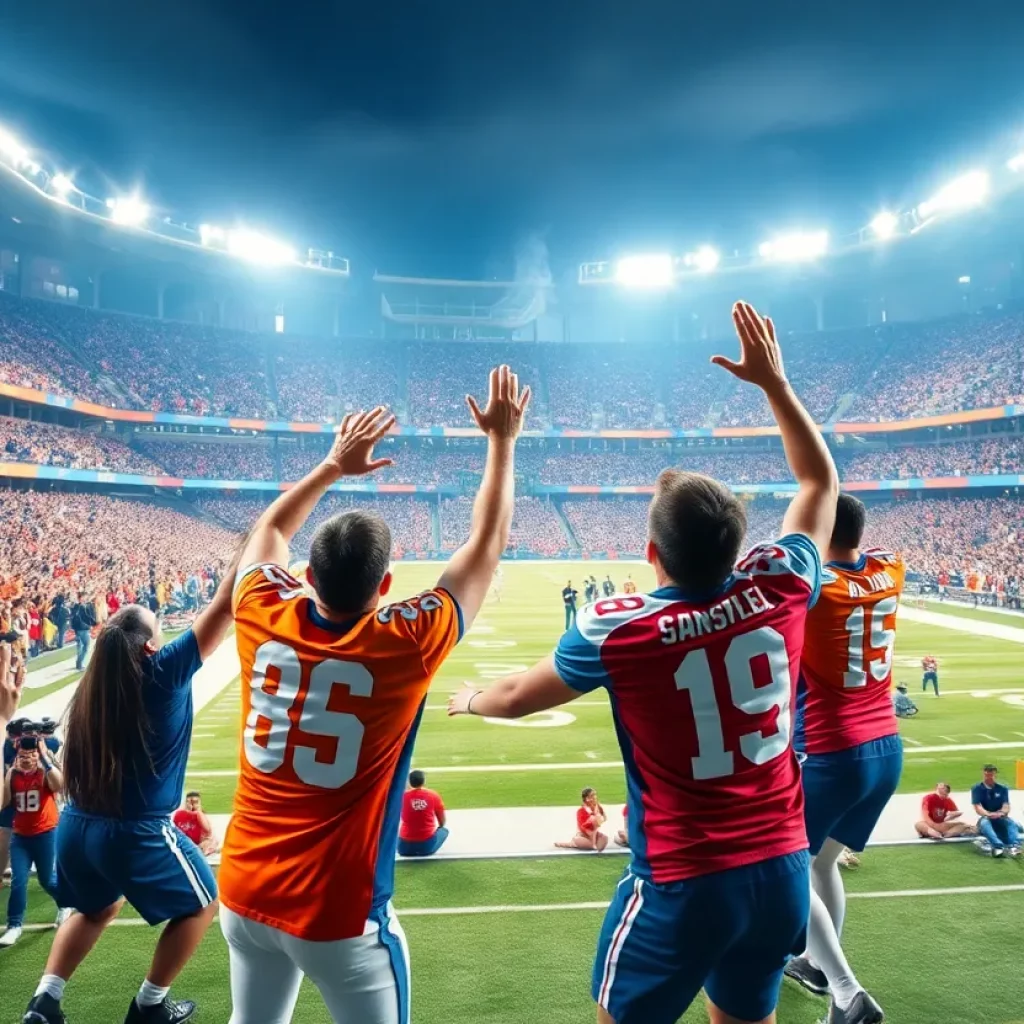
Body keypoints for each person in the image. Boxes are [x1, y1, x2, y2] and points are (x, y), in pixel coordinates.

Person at [449, 301, 839, 1024]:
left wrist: (472, 698)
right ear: (738, 544)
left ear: (652, 554)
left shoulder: (619, 627)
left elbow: (514, 698)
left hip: (684, 880)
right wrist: (776, 386)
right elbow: (819, 487)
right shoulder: (781, 583)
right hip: (782, 867)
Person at [218, 370, 529, 1024]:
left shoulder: (260, 606)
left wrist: (333, 464)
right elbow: (487, 546)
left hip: (243, 888)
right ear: (385, 583)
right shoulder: (404, 642)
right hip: (337, 912)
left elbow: (267, 531)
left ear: (306, 576)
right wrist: (501, 442)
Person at [20, 560, 240, 1024]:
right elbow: (225, 604)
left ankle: (45, 1000)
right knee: (202, 902)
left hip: (77, 827)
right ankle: (150, 1006)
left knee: (95, 907)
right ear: (150, 647)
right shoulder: (161, 674)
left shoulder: (89, 692)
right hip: (134, 830)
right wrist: (264, 535)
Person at [784, 493, 904, 1023]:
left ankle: (846, 989)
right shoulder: (889, 567)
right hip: (886, 748)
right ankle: (815, 963)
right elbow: (863, 553)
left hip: (832, 748)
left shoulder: (816, 590)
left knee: (787, 863)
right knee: (823, 860)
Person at [0, 737, 69, 947]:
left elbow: (59, 783)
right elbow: (4, 803)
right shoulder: (13, 774)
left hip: (45, 834)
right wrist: (8, 773)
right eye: (23, 755)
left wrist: (46, 759)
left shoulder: (44, 773)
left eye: (31, 755)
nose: (27, 759)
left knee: (47, 880)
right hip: (21, 836)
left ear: (38, 755)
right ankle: (14, 926)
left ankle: (65, 903)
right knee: (18, 881)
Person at [971, 764, 1020, 857]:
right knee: (985, 823)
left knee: (1012, 823)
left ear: (995, 775)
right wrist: (988, 814)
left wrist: (1001, 813)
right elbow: (977, 807)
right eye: (987, 775)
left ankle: (1013, 846)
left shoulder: (1002, 788)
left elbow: (1006, 805)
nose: (989, 777)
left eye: (991, 775)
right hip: (986, 817)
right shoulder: (977, 788)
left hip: (1000, 816)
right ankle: (998, 846)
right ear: (983, 774)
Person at [397, 771, 448, 858]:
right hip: (426, 847)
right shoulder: (433, 795)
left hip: (404, 848)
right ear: (424, 781)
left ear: (409, 782)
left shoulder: (401, 797)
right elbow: (442, 822)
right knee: (444, 831)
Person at [556, 787, 609, 852]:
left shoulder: (597, 808)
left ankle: (591, 843)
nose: (595, 797)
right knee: (591, 845)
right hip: (583, 835)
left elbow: (605, 818)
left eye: (595, 795)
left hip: (593, 834)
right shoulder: (581, 811)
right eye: (592, 795)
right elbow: (583, 828)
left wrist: (599, 816)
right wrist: (593, 822)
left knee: (604, 839)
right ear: (587, 799)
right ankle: (572, 843)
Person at [172, 792, 219, 858]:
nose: (191, 805)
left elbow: (208, 830)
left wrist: (198, 812)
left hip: (198, 844)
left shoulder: (201, 815)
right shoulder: (179, 814)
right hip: (184, 843)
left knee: (213, 841)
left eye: (195, 802)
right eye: (188, 802)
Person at [69, 592, 96, 672]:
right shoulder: (81, 607)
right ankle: (79, 663)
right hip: (82, 629)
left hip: (78, 629)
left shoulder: (76, 606)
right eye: (84, 597)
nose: (85, 598)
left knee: (80, 646)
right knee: (85, 646)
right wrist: (89, 626)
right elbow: (83, 619)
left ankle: (79, 663)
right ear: (80, 598)